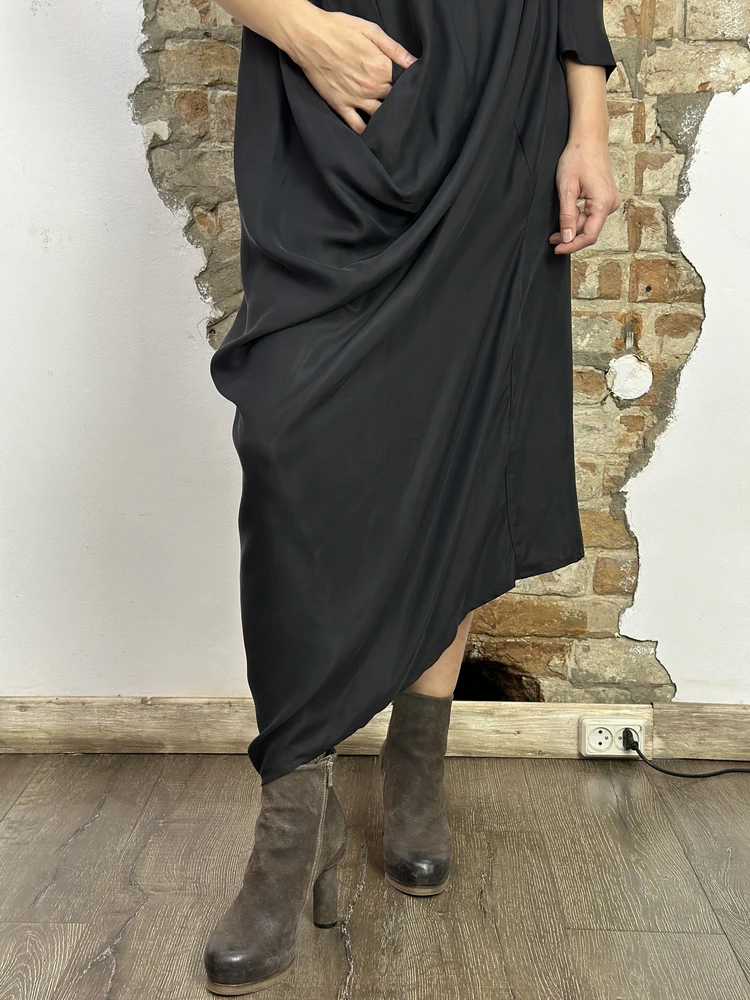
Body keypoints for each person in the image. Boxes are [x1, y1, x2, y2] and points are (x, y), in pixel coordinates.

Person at [202, 0, 620, 993]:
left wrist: (589, 126)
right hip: (330, 116)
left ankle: (416, 767)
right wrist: (293, 24)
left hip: (497, 113)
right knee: (287, 443)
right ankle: (295, 821)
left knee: (458, 451)